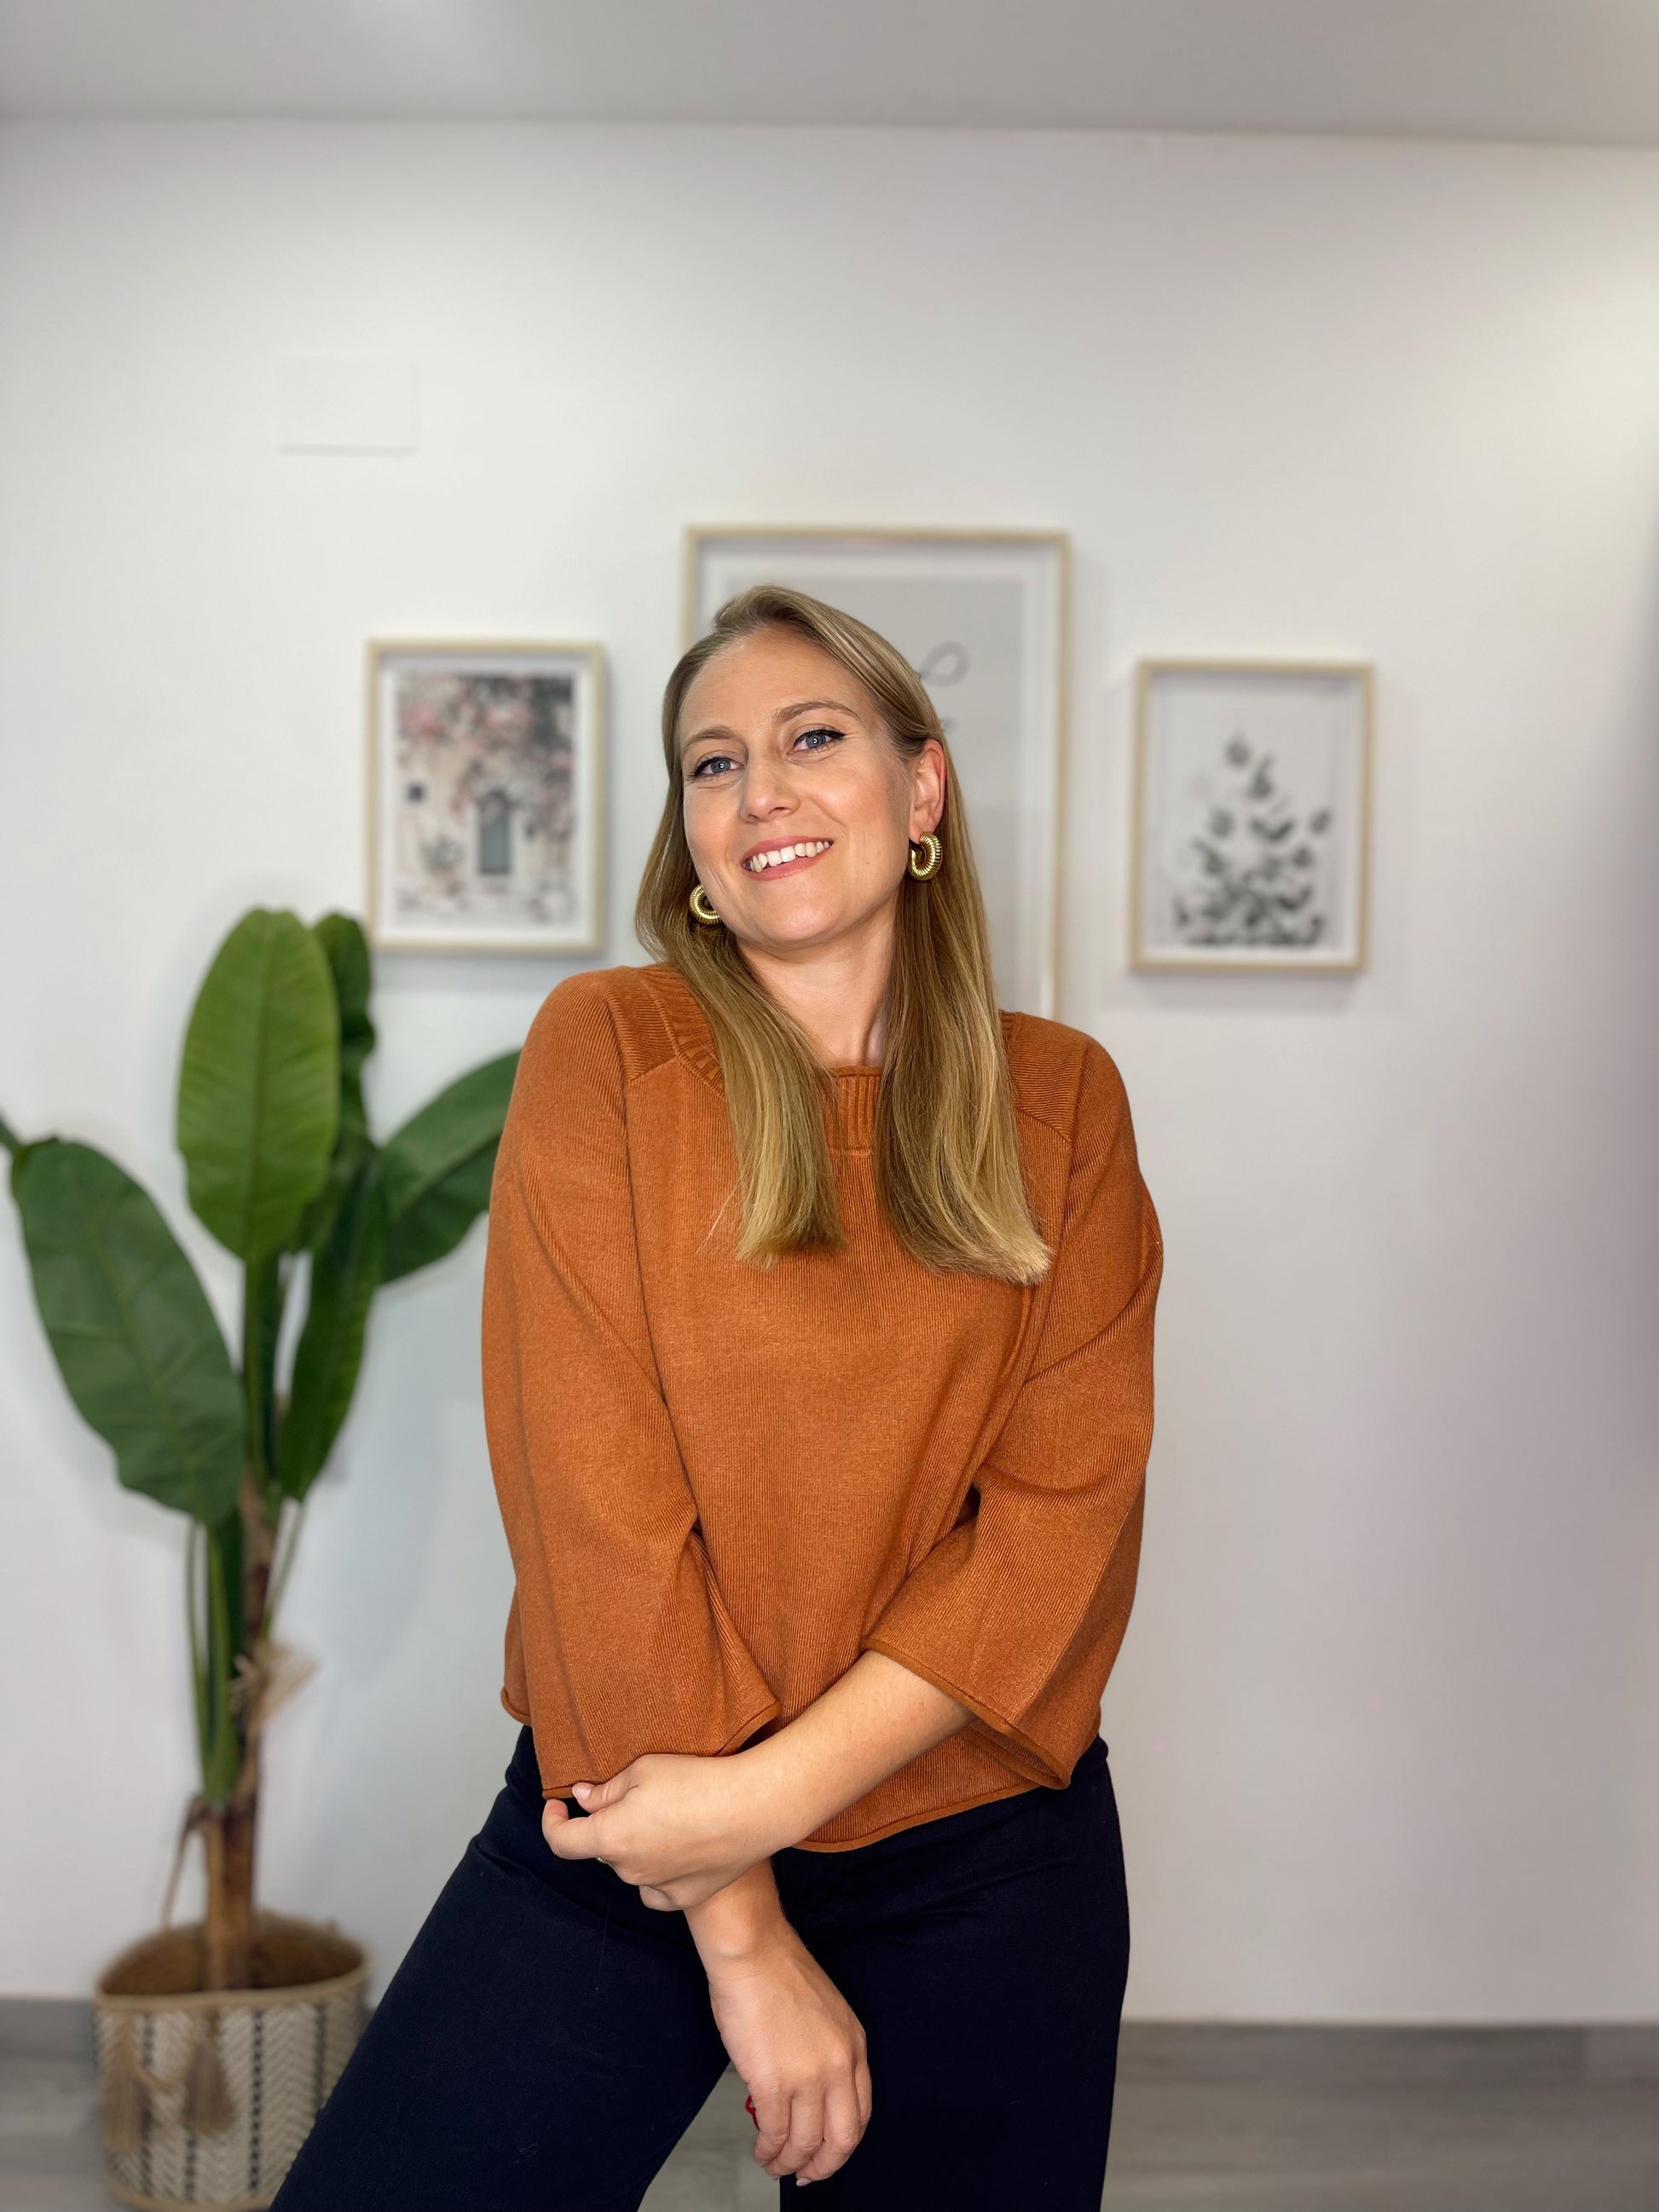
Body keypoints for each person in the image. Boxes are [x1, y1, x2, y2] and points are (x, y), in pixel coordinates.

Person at [272, 586, 1164, 2211]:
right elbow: (591, 1506)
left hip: (980, 1853)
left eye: (812, 738)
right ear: (687, 833)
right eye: (711, 762)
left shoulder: (1063, 1103)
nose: (759, 791)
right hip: (632, 1808)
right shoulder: (608, 1049)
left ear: (921, 789)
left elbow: (1058, 1525)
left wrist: (760, 1799)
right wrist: (740, 1920)